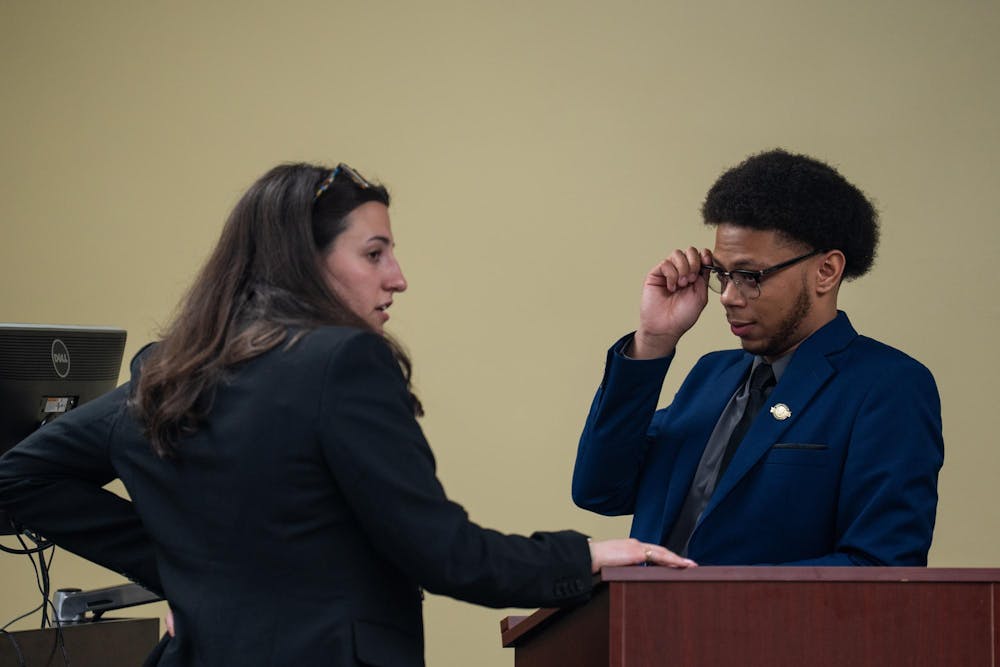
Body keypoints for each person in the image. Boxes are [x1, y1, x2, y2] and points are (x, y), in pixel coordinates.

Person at [0, 162, 695, 666]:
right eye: (374, 252)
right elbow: (443, 552)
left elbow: (18, 477)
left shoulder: (167, 375)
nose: (397, 276)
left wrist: (189, 572)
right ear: (305, 262)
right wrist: (586, 555)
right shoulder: (344, 363)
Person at [572, 149, 944, 566]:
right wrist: (654, 341)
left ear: (826, 271)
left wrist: (711, 603)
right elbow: (599, 490)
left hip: (765, 630)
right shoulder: (711, 376)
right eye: (723, 275)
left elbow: (881, 565)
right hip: (646, 626)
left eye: (750, 276)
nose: (729, 297)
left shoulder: (886, 385)